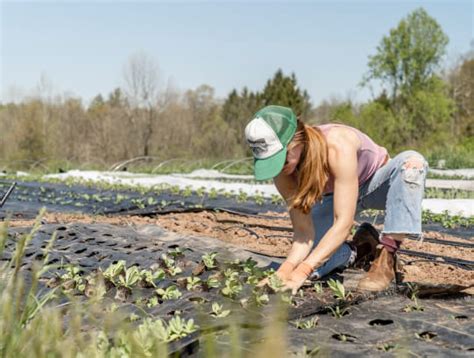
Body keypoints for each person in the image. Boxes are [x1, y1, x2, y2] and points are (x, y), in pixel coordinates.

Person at [245, 105, 428, 293]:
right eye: (271, 162)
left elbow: (343, 223)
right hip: (335, 196)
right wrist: (286, 270)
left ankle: (386, 257)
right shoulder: (283, 172)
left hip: (375, 185)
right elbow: (303, 233)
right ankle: (361, 248)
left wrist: (302, 272)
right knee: (315, 263)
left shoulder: (337, 144)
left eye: (282, 159)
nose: (280, 167)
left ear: (297, 140)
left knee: (412, 164)